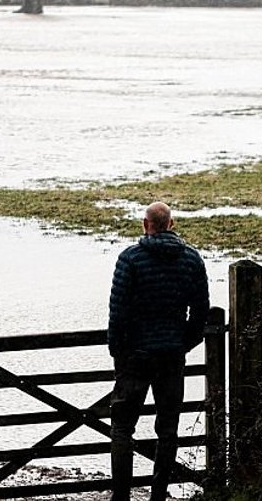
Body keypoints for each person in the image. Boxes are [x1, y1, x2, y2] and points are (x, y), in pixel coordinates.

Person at [107, 201, 210, 501]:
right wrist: (185, 342)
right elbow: (201, 311)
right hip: (171, 355)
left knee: (122, 428)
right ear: (172, 223)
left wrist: (118, 352)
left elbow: (118, 313)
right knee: (168, 429)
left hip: (135, 355)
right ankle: (158, 495)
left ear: (145, 224)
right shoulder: (191, 260)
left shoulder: (130, 259)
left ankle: (121, 497)